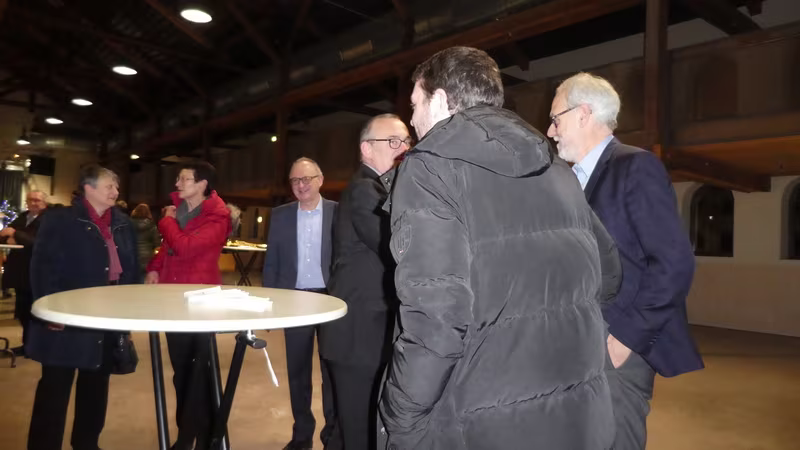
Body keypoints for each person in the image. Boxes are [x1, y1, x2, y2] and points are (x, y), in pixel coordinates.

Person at [378, 47, 621, 450]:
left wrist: (399, 415)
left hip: (482, 418)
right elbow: (608, 274)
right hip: (578, 413)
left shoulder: (429, 167)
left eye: (415, 104)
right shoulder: (554, 166)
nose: (413, 119)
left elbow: (436, 321)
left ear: (439, 101)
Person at [547, 72, 704, 450]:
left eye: (555, 119)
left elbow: (673, 264)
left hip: (615, 343)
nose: (550, 132)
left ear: (583, 113)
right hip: (577, 342)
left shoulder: (635, 167)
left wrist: (624, 341)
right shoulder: (571, 179)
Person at [25, 165, 139, 450]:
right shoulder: (59, 220)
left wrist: (127, 315)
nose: (116, 191)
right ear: (88, 188)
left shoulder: (124, 224)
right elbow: (42, 267)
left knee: (96, 386)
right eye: (109, 186)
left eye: (116, 186)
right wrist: (49, 309)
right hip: (66, 315)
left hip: (107, 317)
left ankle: (87, 444)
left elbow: (132, 271)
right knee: (55, 387)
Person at [319, 115, 410, 450]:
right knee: (359, 430)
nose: (404, 148)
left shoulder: (378, 188)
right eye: (394, 141)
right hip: (359, 335)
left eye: (407, 141)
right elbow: (395, 246)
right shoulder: (364, 189)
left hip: (363, 333)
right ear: (366, 149)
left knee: (348, 429)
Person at [145, 161, 232, 450]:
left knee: (198, 373)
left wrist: (166, 222)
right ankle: (193, 434)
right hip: (172, 297)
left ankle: (196, 438)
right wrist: (155, 267)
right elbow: (169, 247)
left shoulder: (218, 216)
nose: (177, 184)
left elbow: (186, 247)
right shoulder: (180, 211)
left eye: (184, 179)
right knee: (181, 371)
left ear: (202, 184)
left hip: (200, 300)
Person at [262, 157, 339, 450]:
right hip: (293, 300)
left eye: (306, 179)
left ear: (320, 180)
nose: (301, 185)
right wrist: (270, 304)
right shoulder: (280, 215)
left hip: (330, 299)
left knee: (331, 370)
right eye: (295, 180)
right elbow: (272, 261)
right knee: (297, 372)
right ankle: (302, 435)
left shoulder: (338, 213)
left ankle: (333, 435)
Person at [0, 190, 48, 355]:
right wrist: (11, 236)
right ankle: (27, 345)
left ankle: (34, 346)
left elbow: (38, 242)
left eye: (37, 200)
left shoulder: (48, 219)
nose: (33, 203)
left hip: (36, 272)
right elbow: (4, 234)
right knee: (22, 312)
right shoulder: (22, 217)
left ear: (44, 202)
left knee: (34, 313)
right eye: (30, 200)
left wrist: (15, 234)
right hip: (19, 272)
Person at [130, 203, 161, 281]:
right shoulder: (151, 225)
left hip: (132, 254)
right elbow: (157, 242)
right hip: (148, 256)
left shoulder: (128, 224)